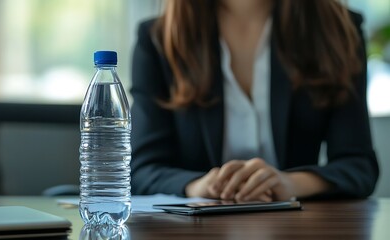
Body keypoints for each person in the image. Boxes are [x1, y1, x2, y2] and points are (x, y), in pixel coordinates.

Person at [130, 0, 379, 202]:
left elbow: (358, 165)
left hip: (298, 228)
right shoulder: (157, 41)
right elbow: (142, 169)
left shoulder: (335, 29)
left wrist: (289, 183)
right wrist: (199, 186)